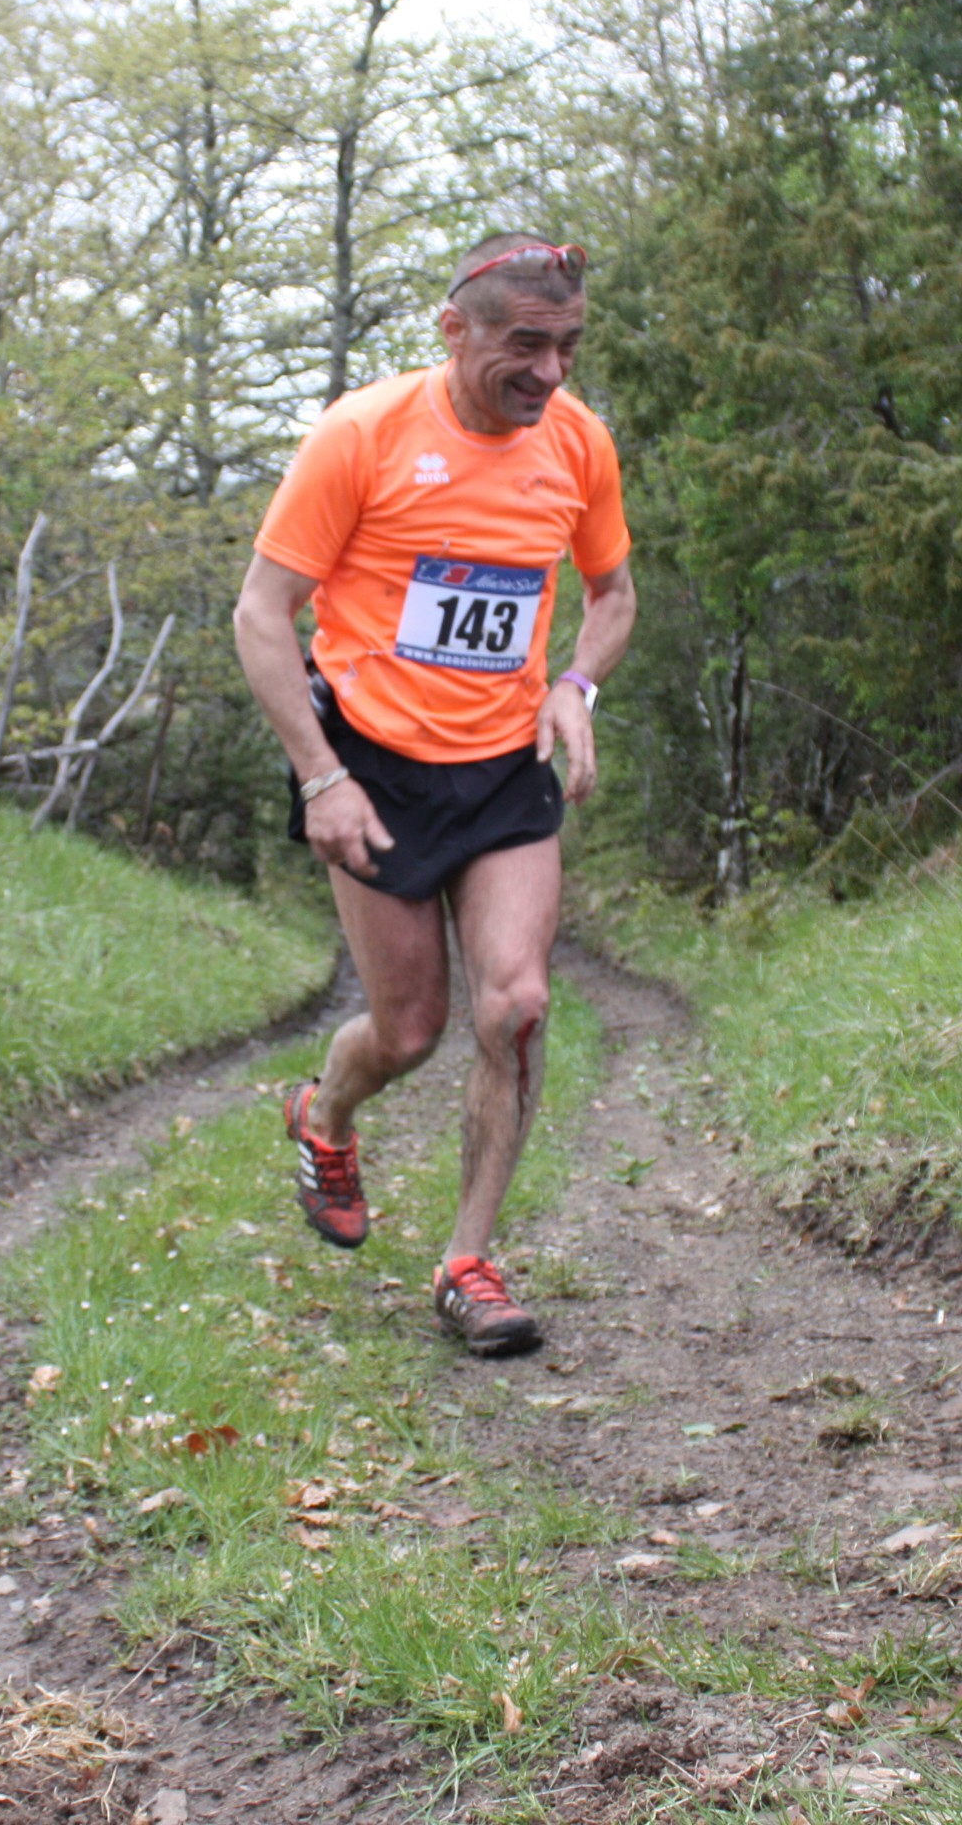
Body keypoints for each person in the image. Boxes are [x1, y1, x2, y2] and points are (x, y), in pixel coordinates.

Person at [231, 233, 636, 1355]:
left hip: (505, 770)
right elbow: (260, 617)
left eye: (567, 348)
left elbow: (611, 595)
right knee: (408, 1030)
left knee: (513, 1006)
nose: (551, 374)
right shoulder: (361, 435)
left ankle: (469, 1259)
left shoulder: (577, 443)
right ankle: (326, 1113)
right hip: (373, 766)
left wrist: (575, 685)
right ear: (453, 331)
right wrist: (320, 776)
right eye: (526, 346)